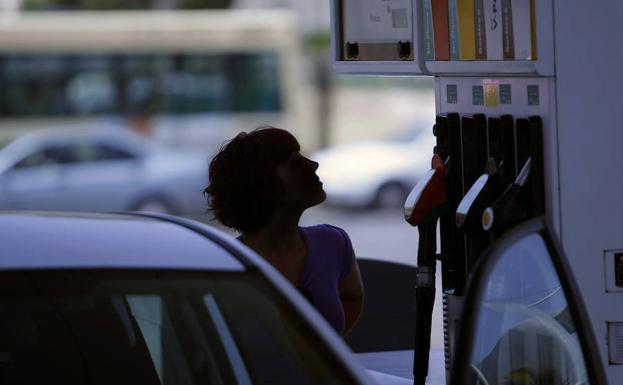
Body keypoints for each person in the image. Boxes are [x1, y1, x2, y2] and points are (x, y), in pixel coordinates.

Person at [204, 126, 364, 336]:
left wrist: (323, 355)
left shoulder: (333, 243)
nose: (314, 164)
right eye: (296, 163)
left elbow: (352, 297)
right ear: (263, 185)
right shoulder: (227, 266)